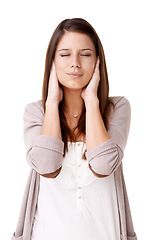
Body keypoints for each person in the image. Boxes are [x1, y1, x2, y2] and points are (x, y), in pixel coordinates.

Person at [11, 18, 137, 240]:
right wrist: (51, 103)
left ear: (98, 61)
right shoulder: (36, 113)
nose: (75, 63)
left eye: (85, 54)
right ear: (52, 62)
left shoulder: (117, 108)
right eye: (65, 54)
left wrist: (91, 100)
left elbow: (103, 166)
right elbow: (47, 167)